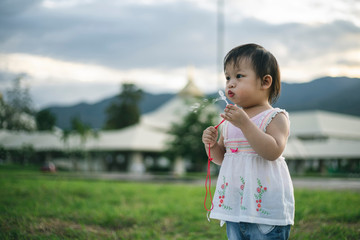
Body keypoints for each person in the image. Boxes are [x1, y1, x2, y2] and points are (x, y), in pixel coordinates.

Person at [202, 43, 294, 240]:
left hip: (265, 212)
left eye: (239, 76)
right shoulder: (230, 122)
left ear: (265, 82)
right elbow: (222, 158)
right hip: (235, 206)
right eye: (227, 77)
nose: (230, 83)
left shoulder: (275, 117)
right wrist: (211, 145)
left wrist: (245, 124)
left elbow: (273, 151)